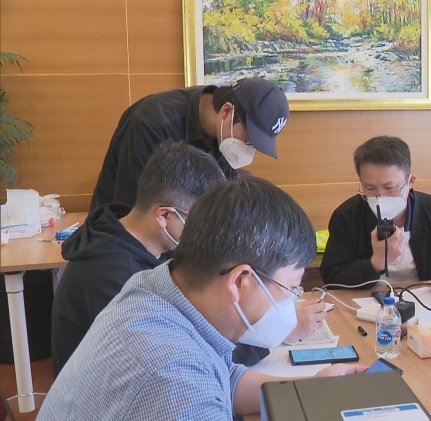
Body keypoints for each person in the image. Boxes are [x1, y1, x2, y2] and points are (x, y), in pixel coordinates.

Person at [38, 177, 367, 419]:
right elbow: (194, 388)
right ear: (240, 281)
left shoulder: (156, 287)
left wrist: (310, 389)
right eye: (291, 289)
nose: (291, 302)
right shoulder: (177, 383)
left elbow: (223, 378)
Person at [52, 144, 327, 376]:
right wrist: (272, 329)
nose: (207, 231)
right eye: (198, 220)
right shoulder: (119, 279)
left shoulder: (135, 240)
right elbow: (187, 352)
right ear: (164, 216)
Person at [89, 77, 289, 211]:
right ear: (227, 111)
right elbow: (133, 211)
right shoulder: (152, 124)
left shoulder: (223, 134)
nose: (248, 147)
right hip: (121, 240)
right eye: (248, 139)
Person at [320, 136, 431, 291]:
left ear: (410, 182)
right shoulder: (346, 217)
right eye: (369, 188)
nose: (380, 196)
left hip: (427, 298)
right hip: (364, 302)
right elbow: (332, 277)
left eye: (389, 188)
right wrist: (376, 263)